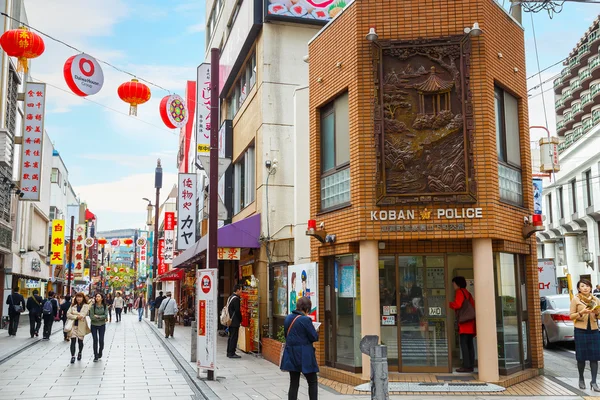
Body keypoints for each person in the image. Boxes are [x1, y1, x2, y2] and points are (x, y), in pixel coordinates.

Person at [280, 296, 319, 400]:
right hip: (304, 355)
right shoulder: (305, 320)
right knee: (312, 381)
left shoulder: (288, 318)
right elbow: (314, 337)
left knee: (294, 382)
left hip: (291, 353)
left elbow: (286, 335)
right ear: (306, 309)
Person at [570, 279, 600, 391]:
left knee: (595, 357)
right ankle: (581, 378)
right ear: (579, 288)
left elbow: (599, 316)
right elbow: (571, 316)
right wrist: (581, 313)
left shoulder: (595, 299)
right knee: (581, 357)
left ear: (591, 287)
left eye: (587, 286)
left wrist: (597, 313)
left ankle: (594, 381)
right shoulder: (575, 300)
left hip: (594, 330)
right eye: (582, 286)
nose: (585, 288)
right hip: (580, 330)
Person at [449, 276, 476, 373]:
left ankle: (466, 366)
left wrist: (449, 304)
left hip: (464, 324)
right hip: (470, 323)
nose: (453, 286)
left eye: (454, 284)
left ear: (458, 284)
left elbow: (458, 304)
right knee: (470, 345)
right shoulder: (468, 293)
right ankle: (471, 365)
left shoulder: (460, 292)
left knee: (463, 344)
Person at [66, 292, 91, 364]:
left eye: (80, 297)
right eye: (77, 297)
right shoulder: (73, 305)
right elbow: (68, 314)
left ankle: (80, 352)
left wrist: (74, 314)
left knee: (80, 341)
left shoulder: (85, 306)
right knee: (73, 341)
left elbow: (83, 315)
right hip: (73, 326)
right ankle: (73, 356)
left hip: (81, 326)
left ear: (83, 298)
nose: (78, 298)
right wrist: (76, 316)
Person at [89, 293, 108, 362]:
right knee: (95, 340)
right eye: (96, 296)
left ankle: (100, 352)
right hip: (94, 325)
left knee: (101, 340)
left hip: (102, 325)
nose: (97, 298)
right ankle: (95, 356)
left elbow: (106, 316)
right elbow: (92, 317)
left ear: (102, 298)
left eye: (99, 296)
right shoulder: (92, 307)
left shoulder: (105, 306)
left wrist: (98, 316)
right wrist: (100, 317)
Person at [226, 285, 242, 358]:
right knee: (234, 337)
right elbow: (237, 311)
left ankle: (229, 352)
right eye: (241, 290)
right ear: (237, 290)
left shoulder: (230, 297)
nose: (241, 292)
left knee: (230, 336)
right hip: (234, 321)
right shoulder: (236, 299)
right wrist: (240, 319)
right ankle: (232, 353)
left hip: (230, 320)